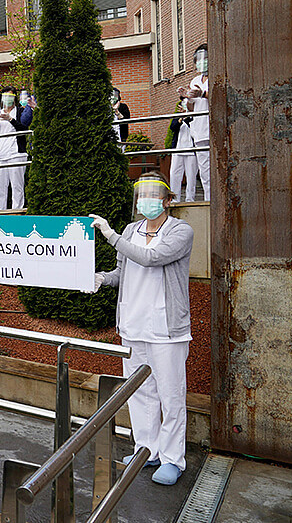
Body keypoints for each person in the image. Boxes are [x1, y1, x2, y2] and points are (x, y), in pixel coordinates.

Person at [89, 172, 193, 486]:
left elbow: (150, 258)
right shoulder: (131, 230)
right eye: (141, 193)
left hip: (166, 328)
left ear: (168, 200)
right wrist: (102, 278)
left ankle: (174, 459)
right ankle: (147, 449)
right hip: (133, 325)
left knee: (171, 394)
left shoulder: (181, 231)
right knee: (140, 392)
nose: (145, 199)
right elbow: (124, 271)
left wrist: (110, 235)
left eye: (153, 193)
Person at [0, 87, 32, 210]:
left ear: (14, 98)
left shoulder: (19, 112)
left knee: (17, 187)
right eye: (5, 96)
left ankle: (17, 212)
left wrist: (11, 119)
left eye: (10, 96)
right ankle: (0, 212)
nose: (7, 99)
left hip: (16, 154)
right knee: (0, 188)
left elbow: (24, 129)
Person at [178, 45, 209, 200]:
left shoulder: (217, 76)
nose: (201, 63)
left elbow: (220, 93)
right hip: (199, 131)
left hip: (212, 128)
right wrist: (186, 97)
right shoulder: (196, 80)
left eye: (204, 59)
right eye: (198, 60)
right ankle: (208, 200)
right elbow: (191, 108)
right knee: (204, 171)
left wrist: (202, 93)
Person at [169, 107, 198, 202]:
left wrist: (187, 117)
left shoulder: (194, 116)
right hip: (178, 149)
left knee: (191, 176)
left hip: (191, 150)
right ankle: (174, 198)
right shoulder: (178, 116)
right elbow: (173, 127)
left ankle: (190, 198)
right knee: (174, 174)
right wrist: (180, 118)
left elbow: (195, 127)